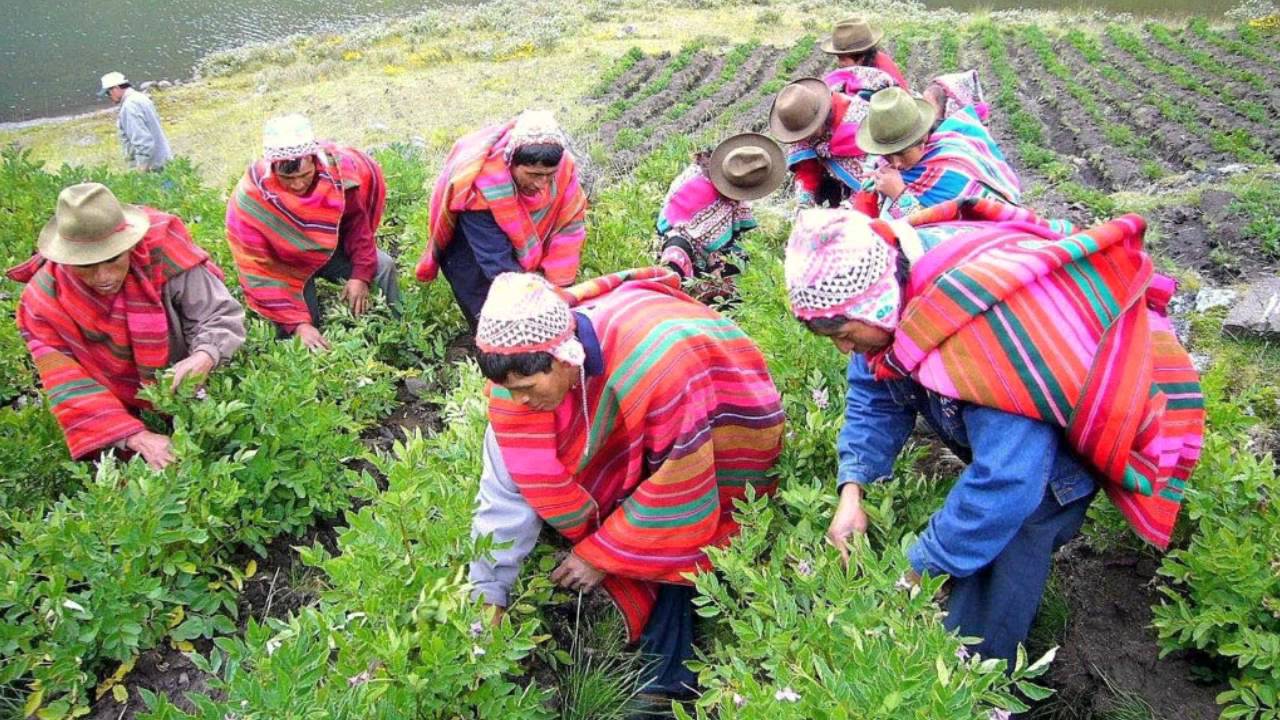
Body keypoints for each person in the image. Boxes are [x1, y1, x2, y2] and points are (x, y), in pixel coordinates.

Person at [782, 200, 1205, 669]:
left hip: (1059, 448)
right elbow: (875, 392)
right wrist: (853, 489)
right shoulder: (894, 300)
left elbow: (1008, 481)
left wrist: (920, 567)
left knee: (998, 578)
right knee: (973, 540)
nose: (844, 347)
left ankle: (984, 684)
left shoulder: (980, 329)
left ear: (874, 302)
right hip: (1017, 442)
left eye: (843, 331)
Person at [468, 269, 784, 697]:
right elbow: (502, 497)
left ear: (565, 357)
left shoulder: (656, 371)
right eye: (508, 390)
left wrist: (601, 556)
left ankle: (667, 682)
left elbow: (679, 491)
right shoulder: (517, 396)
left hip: (713, 402)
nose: (519, 401)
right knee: (617, 517)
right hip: (652, 403)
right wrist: (491, 593)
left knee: (683, 547)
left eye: (526, 387)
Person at [8, 183, 245, 469]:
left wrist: (205, 355)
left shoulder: (163, 251)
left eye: (113, 259)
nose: (103, 276)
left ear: (130, 245)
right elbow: (70, 384)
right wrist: (137, 436)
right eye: (86, 265)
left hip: (185, 374)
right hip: (112, 398)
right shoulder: (42, 301)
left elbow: (218, 313)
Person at [226, 114, 399, 351]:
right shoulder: (252, 197)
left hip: (329, 250)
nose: (298, 185)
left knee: (383, 266)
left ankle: (398, 331)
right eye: (288, 178)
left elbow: (357, 228)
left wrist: (360, 275)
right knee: (305, 333)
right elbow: (259, 266)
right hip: (284, 265)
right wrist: (297, 325)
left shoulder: (338, 174)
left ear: (314, 161)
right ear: (272, 169)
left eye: (305, 175)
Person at [415, 110, 587, 331]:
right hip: (472, 254)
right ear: (511, 164)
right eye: (533, 175)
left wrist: (557, 292)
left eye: (549, 175)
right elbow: (498, 266)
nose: (543, 184)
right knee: (495, 324)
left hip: (523, 244)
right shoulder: (481, 186)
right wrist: (530, 302)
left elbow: (568, 232)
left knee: (550, 320)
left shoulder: (564, 169)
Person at [855, 86, 1020, 220]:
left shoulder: (952, 170)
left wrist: (899, 195)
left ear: (923, 137)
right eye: (886, 155)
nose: (895, 163)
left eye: (902, 153)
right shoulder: (894, 166)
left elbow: (946, 234)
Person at [655, 132, 785, 301]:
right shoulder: (696, 186)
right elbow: (672, 225)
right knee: (678, 264)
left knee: (741, 265)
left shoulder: (728, 198)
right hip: (681, 247)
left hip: (709, 252)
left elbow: (731, 237)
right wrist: (714, 265)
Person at [770, 78, 885, 208]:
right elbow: (807, 169)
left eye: (810, 130)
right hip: (838, 190)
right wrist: (804, 202)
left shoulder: (858, 120)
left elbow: (877, 171)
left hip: (875, 189)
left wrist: (851, 207)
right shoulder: (799, 121)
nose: (807, 138)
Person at [100, 71, 173, 172]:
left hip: (153, 168)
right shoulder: (141, 98)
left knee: (162, 187)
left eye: (108, 93)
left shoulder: (129, 106)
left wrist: (141, 169)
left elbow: (143, 141)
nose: (109, 97)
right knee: (171, 186)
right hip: (164, 160)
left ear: (116, 88)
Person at [820, 17, 908, 91]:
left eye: (843, 59)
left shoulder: (884, 76)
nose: (839, 63)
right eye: (839, 58)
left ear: (861, 56)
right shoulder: (865, 64)